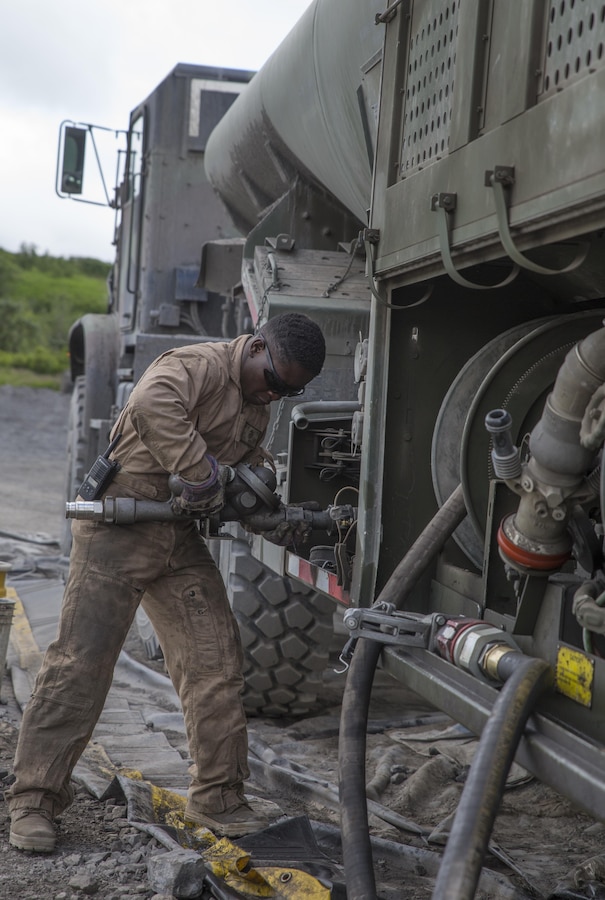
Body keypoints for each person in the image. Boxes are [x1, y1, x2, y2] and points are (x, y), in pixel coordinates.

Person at [7, 312, 326, 852]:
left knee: (215, 661)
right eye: (274, 382)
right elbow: (152, 404)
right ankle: (34, 801)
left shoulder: (256, 404)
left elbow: (241, 466)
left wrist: (263, 492)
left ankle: (219, 797)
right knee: (79, 666)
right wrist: (200, 470)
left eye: (290, 391)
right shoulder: (196, 366)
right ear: (254, 349)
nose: (275, 396)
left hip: (176, 537)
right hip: (117, 526)